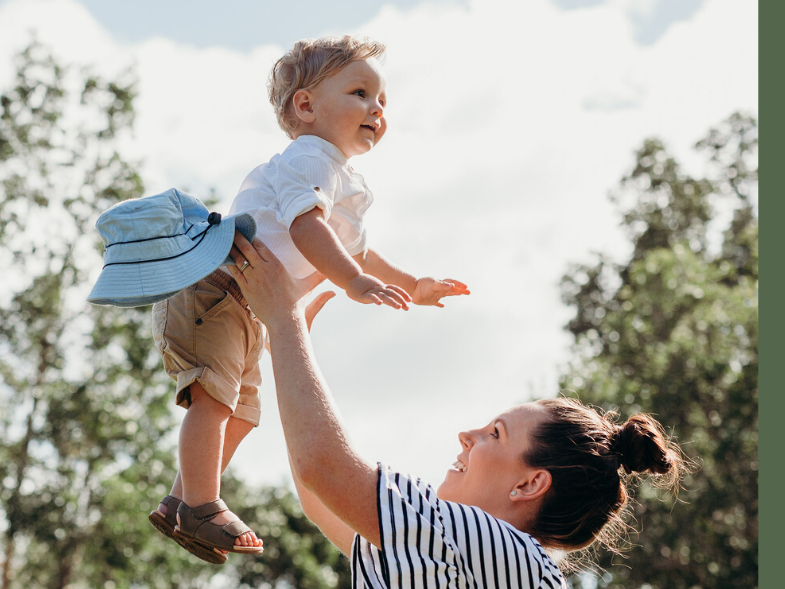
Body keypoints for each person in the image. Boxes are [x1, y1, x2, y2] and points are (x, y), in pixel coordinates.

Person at [147, 35, 469, 563]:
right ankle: (202, 504)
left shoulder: (343, 180)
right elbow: (306, 229)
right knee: (215, 399)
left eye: (383, 100)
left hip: (249, 306)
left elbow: (361, 254)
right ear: (306, 105)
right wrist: (351, 282)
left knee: (244, 413)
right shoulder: (308, 159)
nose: (377, 109)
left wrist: (414, 284)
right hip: (217, 288)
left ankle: (182, 500)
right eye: (361, 93)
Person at [226, 233, 689, 588]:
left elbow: (324, 469)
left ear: (530, 483)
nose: (467, 435)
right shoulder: (474, 560)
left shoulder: (499, 549)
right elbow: (320, 493)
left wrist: (284, 321)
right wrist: (287, 346)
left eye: (496, 434)